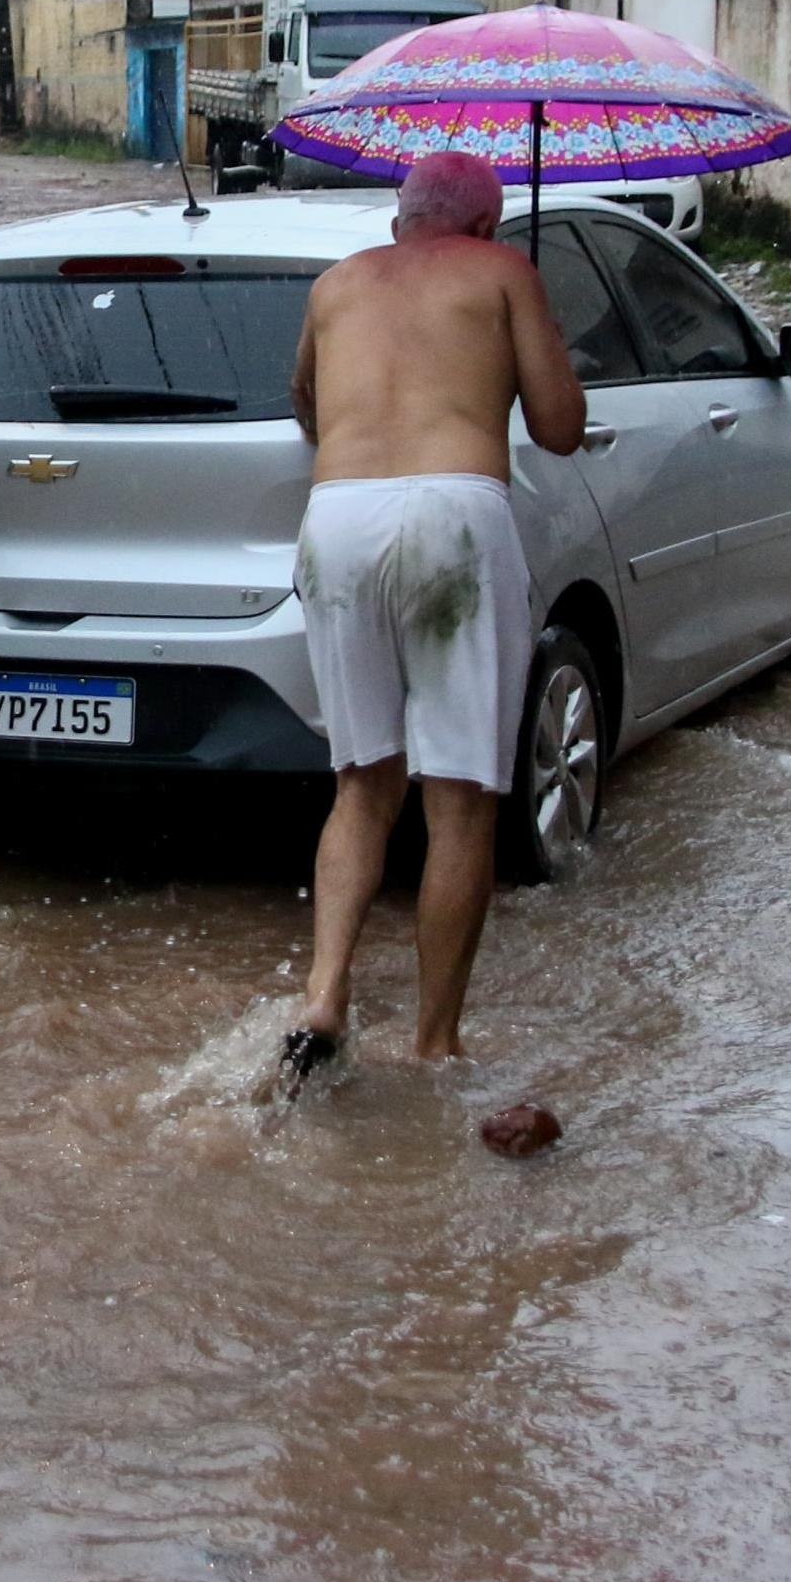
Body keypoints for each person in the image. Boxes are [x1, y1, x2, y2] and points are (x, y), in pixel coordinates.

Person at [280, 151, 586, 1090]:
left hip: (337, 521)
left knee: (362, 783)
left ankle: (325, 995)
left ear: (399, 218)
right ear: (487, 225)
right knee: (459, 797)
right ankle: (435, 1042)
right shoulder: (503, 271)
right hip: (454, 516)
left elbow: (304, 405)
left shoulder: (336, 285)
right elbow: (562, 424)